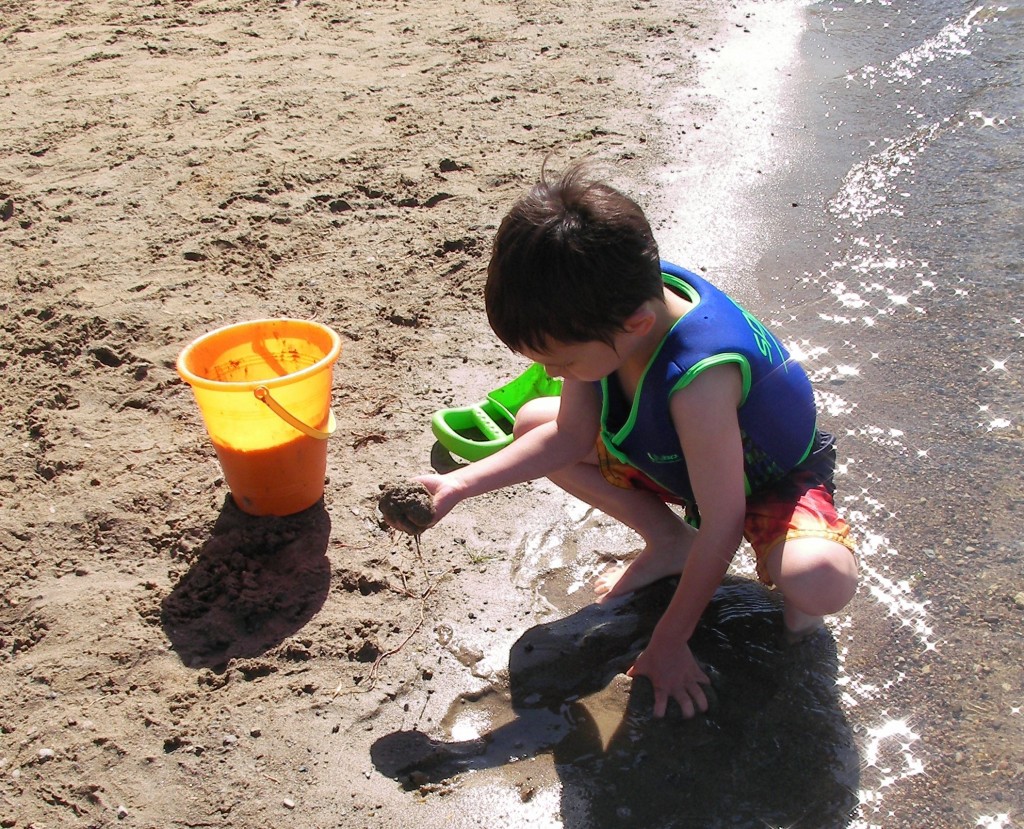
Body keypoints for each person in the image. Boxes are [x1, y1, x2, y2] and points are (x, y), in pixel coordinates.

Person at [397, 161, 858, 719]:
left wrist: (669, 641)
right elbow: (568, 438)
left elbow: (725, 522)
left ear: (637, 324)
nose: (553, 371)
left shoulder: (699, 383)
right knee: (533, 424)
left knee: (819, 582)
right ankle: (669, 543)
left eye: (561, 361)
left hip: (765, 478)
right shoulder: (611, 304)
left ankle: (797, 627)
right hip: (678, 462)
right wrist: (458, 485)